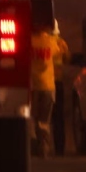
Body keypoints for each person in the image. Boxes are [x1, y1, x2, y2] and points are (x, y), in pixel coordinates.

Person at [30, 18, 63, 158]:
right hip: (48, 86)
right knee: (44, 120)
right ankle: (43, 149)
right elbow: (62, 52)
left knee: (31, 119)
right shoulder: (51, 42)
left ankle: (31, 148)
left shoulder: (28, 41)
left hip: (31, 86)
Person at [50, 20, 70, 156]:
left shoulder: (35, 40)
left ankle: (39, 146)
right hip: (57, 83)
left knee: (39, 117)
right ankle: (59, 148)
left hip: (38, 83)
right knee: (58, 117)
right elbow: (67, 59)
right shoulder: (61, 43)